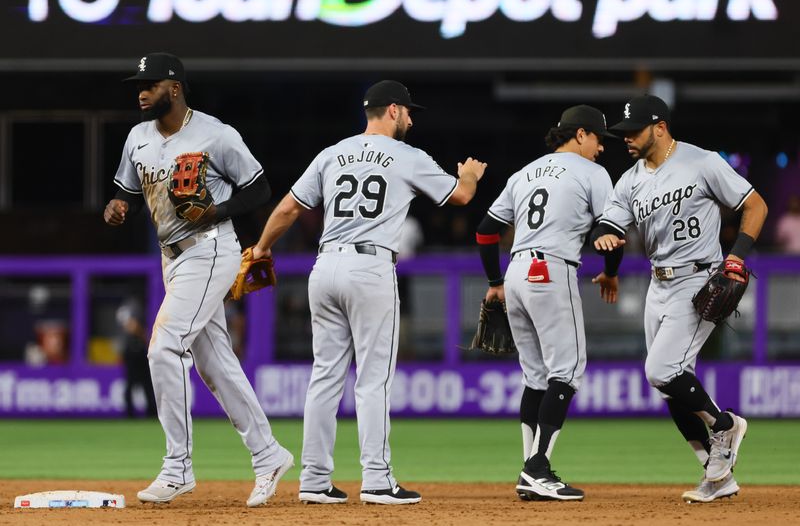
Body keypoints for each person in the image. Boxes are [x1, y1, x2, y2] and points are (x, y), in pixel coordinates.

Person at [251, 80, 487, 505]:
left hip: (324, 267)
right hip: (369, 268)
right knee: (373, 379)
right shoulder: (407, 156)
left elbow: (289, 207)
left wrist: (261, 248)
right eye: (408, 111)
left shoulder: (331, 153)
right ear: (392, 110)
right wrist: (469, 173)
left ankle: (314, 479)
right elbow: (463, 195)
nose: (411, 119)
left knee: (324, 377)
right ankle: (377, 480)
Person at [103, 52, 293, 507]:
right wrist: (118, 206)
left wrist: (217, 210)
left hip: (211, 247)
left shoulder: (215, 133)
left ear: (174, 87)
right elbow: (126, 191)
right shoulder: (138, 138)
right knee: (215, 365)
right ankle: (269, 454)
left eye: (149, 84)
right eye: (139, 85)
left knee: (164, 346)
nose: (141, 91)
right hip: (172, 258)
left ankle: (177, 467)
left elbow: (259, 187)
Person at [592, 95, 768, 503]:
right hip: (658, 285)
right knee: (670, 386)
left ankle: (724, 425)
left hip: (699, 278)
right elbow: (611, 222)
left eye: (633, 131)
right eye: (623, 133)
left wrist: (737, 256)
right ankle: (718, 476)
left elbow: (754, 206)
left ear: (660, 127)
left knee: (661, 369)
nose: (627, 139)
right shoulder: (631, 178)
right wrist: (608, 248)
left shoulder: (701, 162)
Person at [475, 105, 621, 502]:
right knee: (568, 371)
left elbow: (486, 231)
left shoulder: (524, 172)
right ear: (579, 135)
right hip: (550, 271)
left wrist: (494, 282)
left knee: (536, 376)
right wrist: (611, 270)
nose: (601, 148)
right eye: (597, 138)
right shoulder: (592, 173)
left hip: (517, 273)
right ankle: (537, 468)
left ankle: (529, 469)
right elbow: (612, 229)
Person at [116, 299, 157, 418]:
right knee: (129, 387)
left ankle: (151, 413)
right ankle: (129, 414)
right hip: (131, 358)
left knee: (147, 387)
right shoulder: (126, 335)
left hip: (141, 358)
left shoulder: (141, 329)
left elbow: (146, 339)